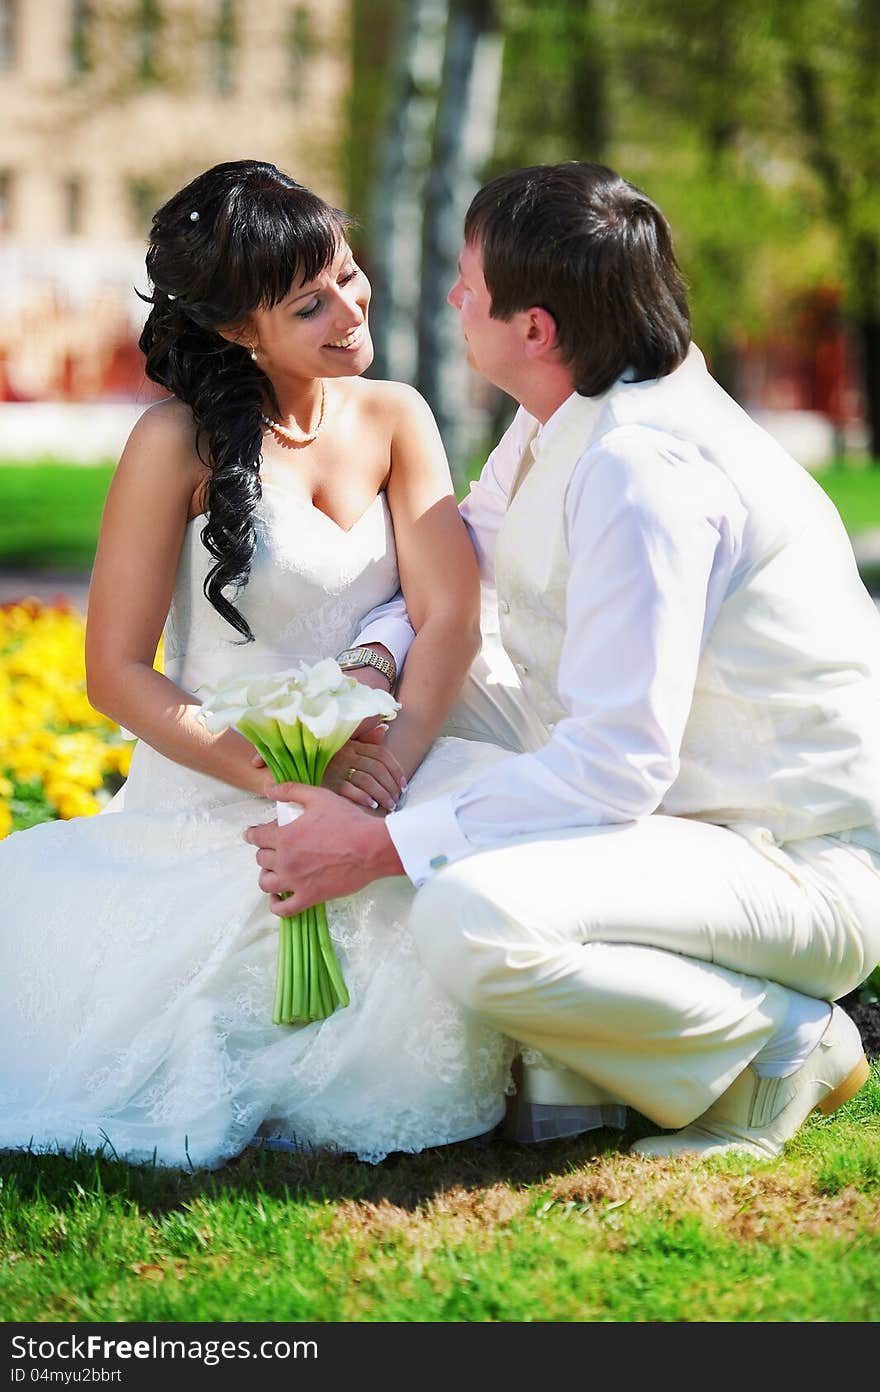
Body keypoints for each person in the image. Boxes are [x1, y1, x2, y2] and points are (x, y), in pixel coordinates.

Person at [247, 161, 880, 1161]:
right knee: (403, 712)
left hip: (788, 861)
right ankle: (565, 1073)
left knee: (470, 919)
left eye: (469, 284)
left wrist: (380, 846)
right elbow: (458, 570)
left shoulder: (643, 470)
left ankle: (778, 1046)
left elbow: (617, 764)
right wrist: (369, 667)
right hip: (684, 821)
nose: (454, 299)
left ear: (533, 330)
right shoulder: (563, 416)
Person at [0, 157, 535, 1170]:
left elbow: (451, 608)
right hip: (220, 780)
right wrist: (284, 776)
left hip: (393, 757)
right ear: (239, 328)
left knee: (502, 854)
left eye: (346, 274)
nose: (348, 310)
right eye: (309, 303)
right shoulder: (173, 444)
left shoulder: (395, 414)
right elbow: (114, 672)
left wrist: (393, 757)